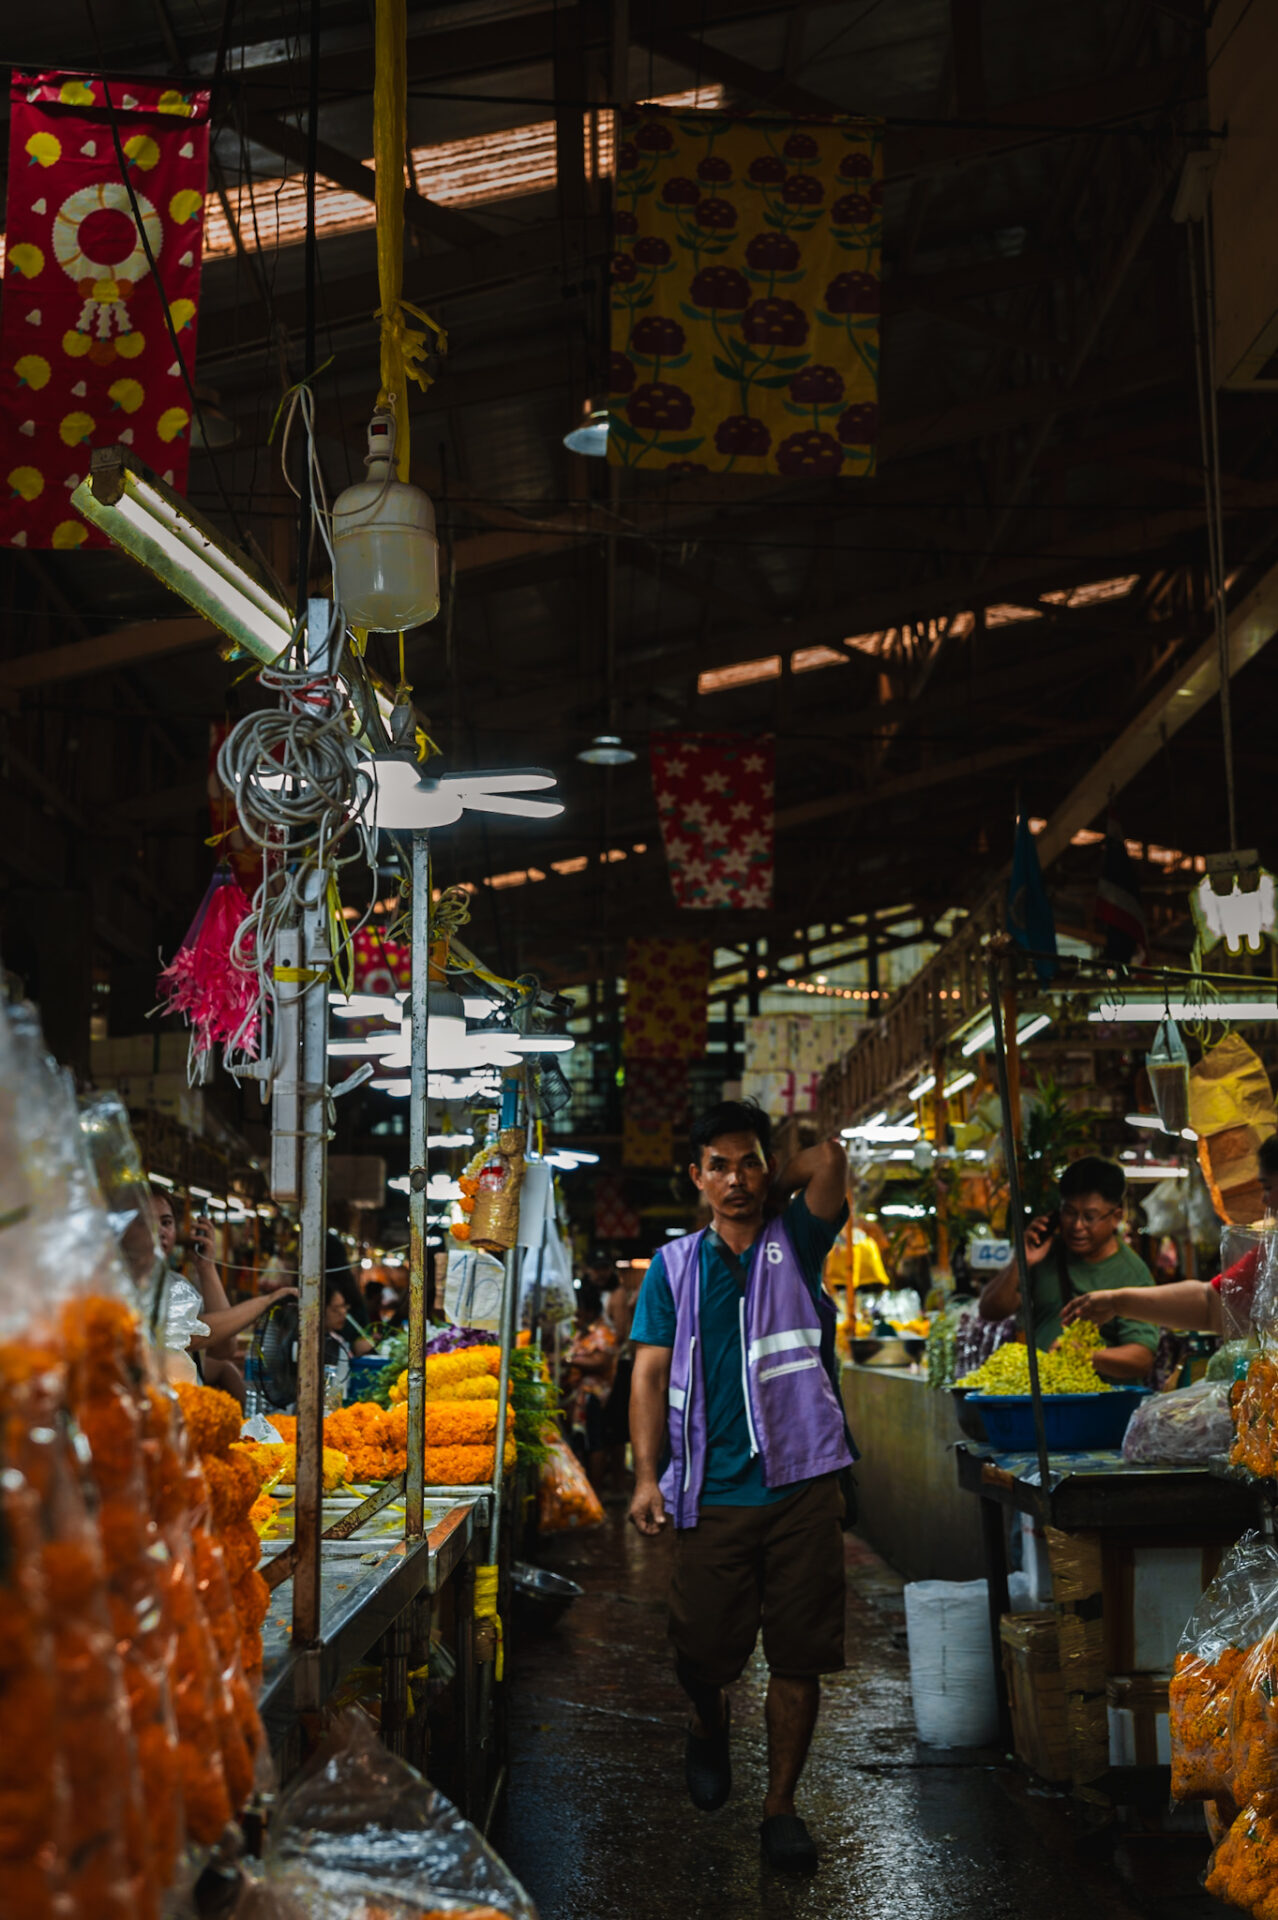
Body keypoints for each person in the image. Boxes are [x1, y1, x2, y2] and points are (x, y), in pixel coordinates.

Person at [628, 1099, 852, 1877]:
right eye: (717, 1166)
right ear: (694, 1178)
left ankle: (780, 1807)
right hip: (712, 1489)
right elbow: (650, 1371)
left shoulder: (799, 1238)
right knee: (703, 1651)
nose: (735, 1178)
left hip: (802, 1482)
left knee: (800, 1653)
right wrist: (647, 1476)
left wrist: (774, 1183)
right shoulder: (675, 1266)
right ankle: (706, 1719)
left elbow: (828, 1160)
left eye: (747, 1161)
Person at [1062, 1134, 1278, 1341]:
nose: (1264, 1200)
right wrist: (1116, 1303)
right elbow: (1212, 1304)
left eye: (1268, 1187)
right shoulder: (1271, 1255)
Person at [977, 1155, 1157, 1381]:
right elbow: (990, 1310)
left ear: (1116, 1217)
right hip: (1044, 1400)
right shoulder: (1046, 1253)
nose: (1077, 1226)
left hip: (1102, 1406)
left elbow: (1141, 1359)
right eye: (1069, 1212)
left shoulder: (1132, 1273)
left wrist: (1086, 1356)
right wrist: (1021, 1261)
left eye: (1089, 1217)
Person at [152, 1187, 297, 1402]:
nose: (160, 1231)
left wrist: (206, 1268)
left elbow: (223, 1348)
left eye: (166, 1222)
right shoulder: (118, 1285)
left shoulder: (176, 1284)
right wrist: (267, 1301)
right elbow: (191, 1335)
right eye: (147, 1221)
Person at [563, 1281, 618, 1485]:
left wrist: (569, 1361)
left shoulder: (603, 1332)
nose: (577, 1316)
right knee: (581, 1442)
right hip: (578, 1398)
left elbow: (601, 1362)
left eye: (580, 1311)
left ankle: (595, 1488)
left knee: (594, 1441)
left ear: (590, 1310)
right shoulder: (582, 1332)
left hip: (594, 1396)